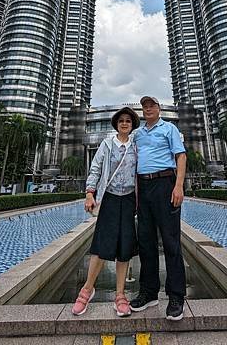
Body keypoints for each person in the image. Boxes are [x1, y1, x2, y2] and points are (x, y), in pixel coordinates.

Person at [72, 106, 140, 317]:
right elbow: (96, 168)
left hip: (129, 199)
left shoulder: (136, 146)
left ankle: (120, 295)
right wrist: (90, 192)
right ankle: (86, 290)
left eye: (128, 120)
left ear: (132, 125)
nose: (125, 123)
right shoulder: (107, 144)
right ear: (116, 124)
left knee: (125, 247)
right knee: (102, 245)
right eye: (121, 120)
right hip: (109, 198)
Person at [130, 96, 187, 321]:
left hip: (165, 184)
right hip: (143, 187)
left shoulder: (169, 128)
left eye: (151, 105)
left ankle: (176, 297)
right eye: (145, 107)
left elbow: (180, 156)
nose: (148, 109)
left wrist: (179, 186)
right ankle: (149, 292)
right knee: (146, 242)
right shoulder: (139, 134)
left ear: (159, 109)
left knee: (171, 242)